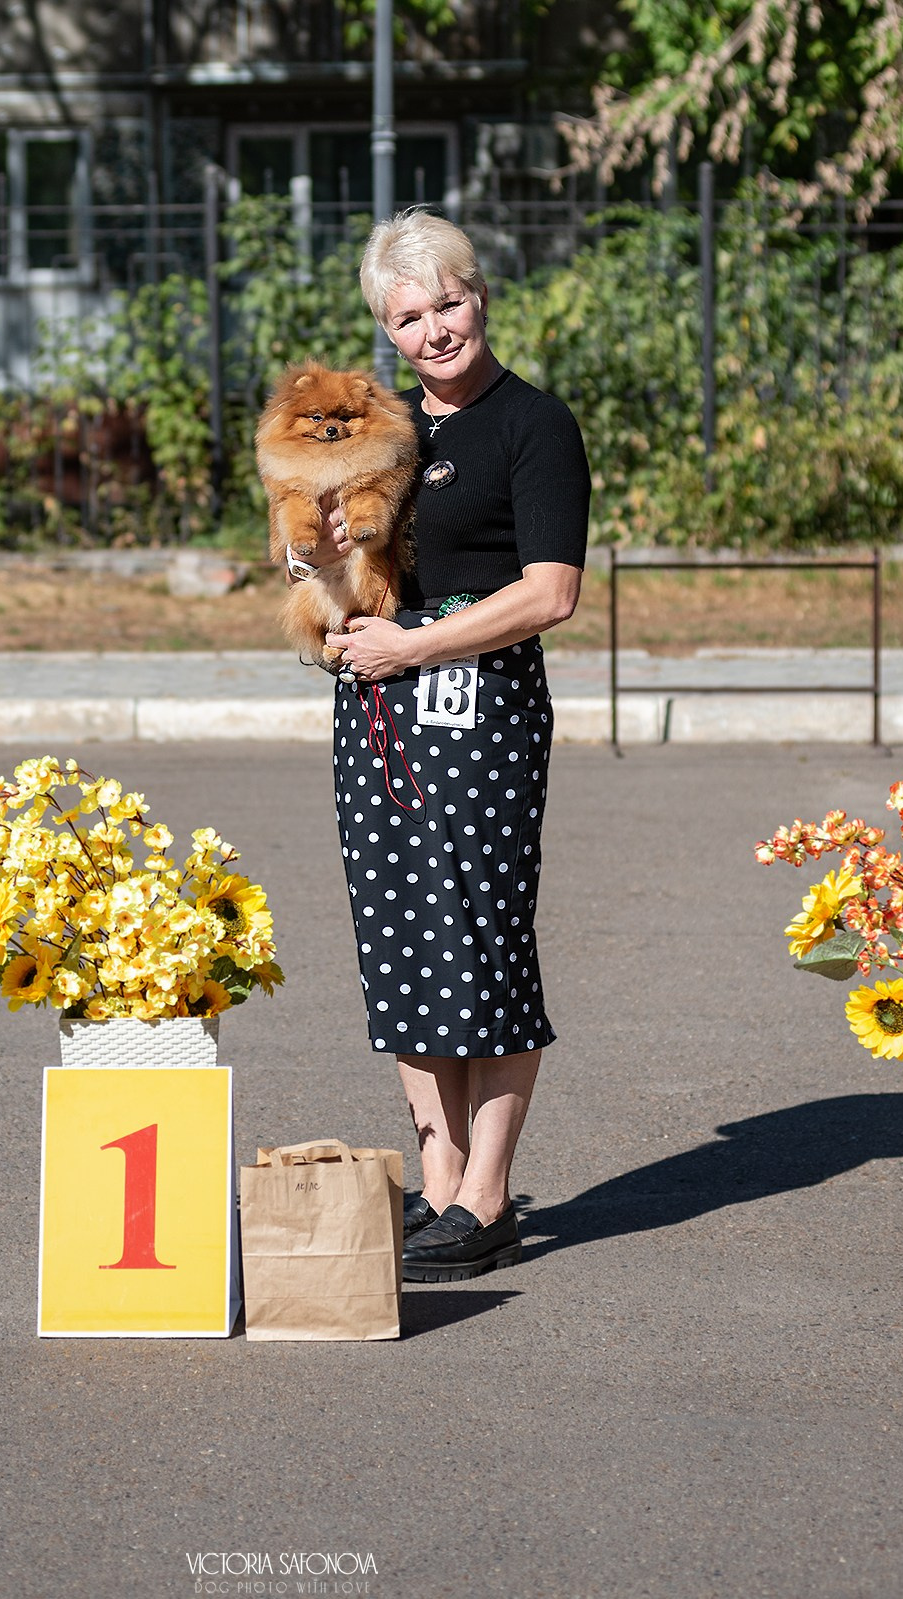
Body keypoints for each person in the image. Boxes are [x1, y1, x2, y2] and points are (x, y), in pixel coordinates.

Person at [291, 210, 590, 1282]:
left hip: (482, 711)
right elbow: (329, 570)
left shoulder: (532, 424)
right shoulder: (379, 432)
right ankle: (438, 1181)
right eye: (407, 317)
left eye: (446, 303)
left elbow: (548, 594)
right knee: (401, 938)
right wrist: (313, 580)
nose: (433, 331)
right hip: (372, 709)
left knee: (481, 936)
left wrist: (411, 646)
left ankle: (488, 1196)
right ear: (387, 329)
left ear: (478, 296)